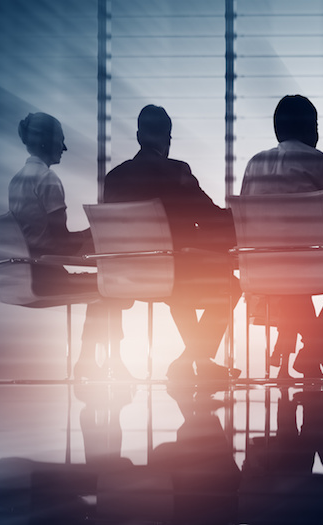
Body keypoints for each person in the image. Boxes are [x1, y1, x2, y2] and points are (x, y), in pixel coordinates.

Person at [241, 94, 323, 379]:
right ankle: (315, 352)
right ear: (309, 128)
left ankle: (311, 354)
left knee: (293, 286)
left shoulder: (253, 165)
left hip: (262, 269)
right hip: (307, 266)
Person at [104, 105, 240, 381]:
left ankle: (200, 362)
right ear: (168, 137)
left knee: (180, 284)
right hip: (175, 273)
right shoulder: (177, 171)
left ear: (139, 135)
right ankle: (190, 359)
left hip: (127, 277)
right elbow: (210, 217)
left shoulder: (114, 178)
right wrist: (239, 218)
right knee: (232, 286)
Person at [8, 112, 126, 380]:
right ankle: (102, 361)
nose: (64, 147)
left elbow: (39, 235)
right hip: (45, 275)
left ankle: (96, 360)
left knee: (105, 286)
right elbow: (60, 243)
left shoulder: (17, 180)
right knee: (110, 286)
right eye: (60, 140)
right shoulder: (48, 180)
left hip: (22, 274)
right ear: (45, 142)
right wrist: (94, 232)